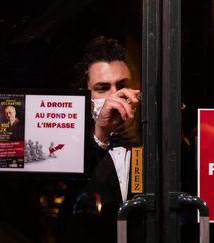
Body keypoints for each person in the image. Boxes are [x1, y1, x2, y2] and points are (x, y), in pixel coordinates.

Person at [59, 36, 142, 243]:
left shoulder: (155, 140)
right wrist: (100, 133)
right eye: (103, 88)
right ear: (85, 96)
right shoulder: (70, 145)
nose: (116, 96)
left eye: (122, 85)